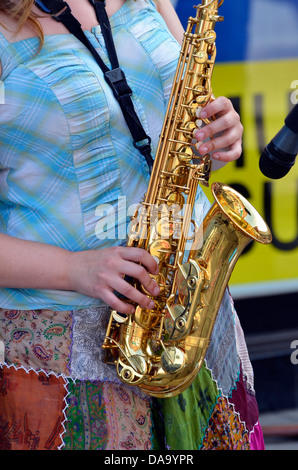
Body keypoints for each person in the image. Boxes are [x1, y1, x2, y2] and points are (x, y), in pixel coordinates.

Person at [0, 0, 264, 450]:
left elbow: (185, 137)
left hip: (190, 315)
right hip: (64, 355)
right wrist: (73, 268)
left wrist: (219, 134)